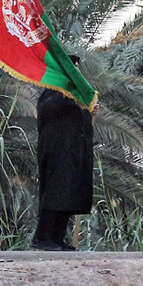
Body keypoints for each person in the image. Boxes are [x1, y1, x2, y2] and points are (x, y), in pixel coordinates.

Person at [31, 56, 94, 251]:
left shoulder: (78, 94)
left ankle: (57, 238)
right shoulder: (53, 91)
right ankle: (42, 237)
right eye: (71, 67)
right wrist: (67, 98)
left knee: (69, 195)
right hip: (58, 154)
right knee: (55, 194)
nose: (75, 71)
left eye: (77, 67)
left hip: (75, 155)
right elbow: (48, 111)